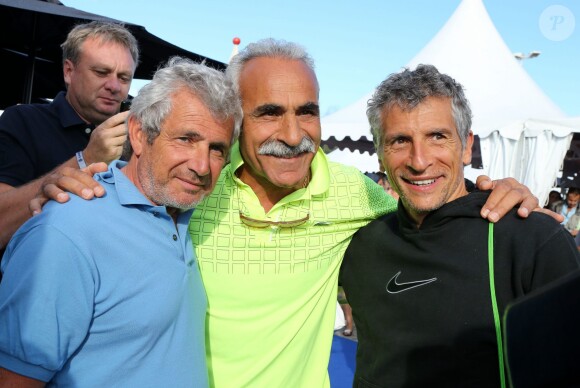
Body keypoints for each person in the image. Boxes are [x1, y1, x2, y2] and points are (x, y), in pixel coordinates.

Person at [32, 40, 547, 387]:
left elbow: (429, 199)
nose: (294, 134)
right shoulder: (197, 183)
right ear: (235, 122)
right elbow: (124, 191)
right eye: (269, 113)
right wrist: (66, 179)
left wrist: (495, 191)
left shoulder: (357, 197)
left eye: (307, 111)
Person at [0, 57, 242, 386]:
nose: (201, 166)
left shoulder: (189, 213)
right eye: (186, 139)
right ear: (140, 134)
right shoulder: (66, 231)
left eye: (217, 149)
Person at [339, 64, 580, 387]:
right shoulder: (358, 242)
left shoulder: (530, 238)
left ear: (466, 146)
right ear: (380, 154)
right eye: (399, 141)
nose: (419, 160)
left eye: (437, 137)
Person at [0, 21, 139, 249]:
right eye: (101, 72)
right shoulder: (23, 120)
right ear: (68, 71)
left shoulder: (134, 135)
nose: (114, 86)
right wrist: (87, 158)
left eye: (124, 78)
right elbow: (1, 222)